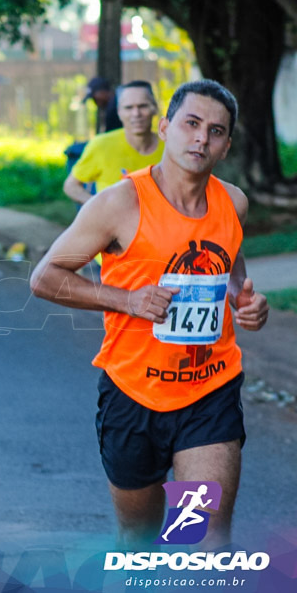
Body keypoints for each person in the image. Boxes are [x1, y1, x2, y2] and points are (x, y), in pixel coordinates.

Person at [30, 79, 269, 550]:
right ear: (165, 128)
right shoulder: (119, 203)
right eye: (192, 124)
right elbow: (44, 277)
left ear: (225, 147)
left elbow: (232, 272)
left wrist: (245, 301)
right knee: (137, 541)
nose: (201, 138)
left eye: (216, 131)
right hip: (132, 394)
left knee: (200, 539)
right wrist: (127, 300)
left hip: (209, 392)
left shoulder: (233, 203)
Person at [64, 80, 164, 206]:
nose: (136, 114)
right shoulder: (100, 145)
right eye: (128, 107)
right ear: (119, 112)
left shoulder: (172, 148)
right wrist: (98, 207)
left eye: (143, 106)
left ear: (154, 108)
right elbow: (71, 185)